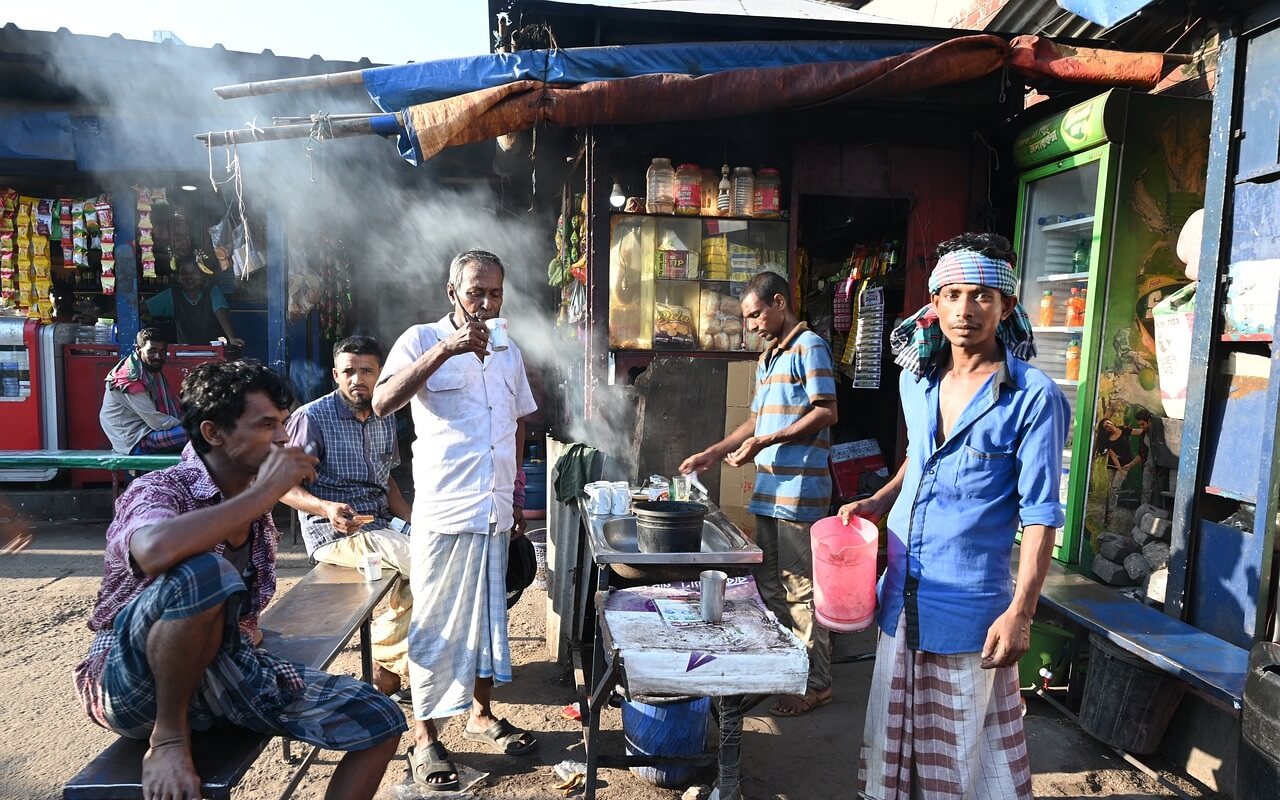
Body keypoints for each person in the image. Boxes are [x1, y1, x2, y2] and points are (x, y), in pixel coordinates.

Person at [73, 360, 405, 800]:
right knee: (204, 571)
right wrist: (263, 493)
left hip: (223, 669)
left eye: (285, 423)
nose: (285, 437)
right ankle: (169, 739)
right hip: (133, 683)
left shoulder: (250, 502)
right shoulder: (159, 490)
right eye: (268, 424)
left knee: (379, 718)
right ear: (213, 433)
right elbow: (153, 551)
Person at [841, 233, 1069, 800]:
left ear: (1006, 306)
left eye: (983, 296)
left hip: (969, 610)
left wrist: (1022, 612)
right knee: (898, 754)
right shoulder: (916, 381)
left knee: (964, 762)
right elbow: (922, 459)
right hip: (901, 596)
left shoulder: (1033, 397)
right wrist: (881, 499)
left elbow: (1042, 515)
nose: (966, 310)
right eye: (954, 294)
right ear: (934, 303)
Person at [372, 249, 539, 791]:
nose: (485, 304)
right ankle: (424, 737)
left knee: (492, 619)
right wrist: (447, 348)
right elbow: (381, 402)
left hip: (493, 510)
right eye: (475, 293)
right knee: (436, 623)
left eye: (494, 293)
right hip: (445, 510)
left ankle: (481, 713)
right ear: (452, 292)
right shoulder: (420, 339)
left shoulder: (509, 350)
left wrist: (514, 496)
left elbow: (516, 424)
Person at [679, 270, 838, 717]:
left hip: (799, 492)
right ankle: (788, 672)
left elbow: (826, 411)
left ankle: (816, 684)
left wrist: (766, 443)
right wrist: (714, 452)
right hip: (769, 491)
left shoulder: (810, 347)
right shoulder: (770, 356)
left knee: (800, 589)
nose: (750, 325)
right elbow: (755, 422)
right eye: (746, 318)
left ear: (780, 302)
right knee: (769, 586)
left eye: (754, 315)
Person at [283, 335, 414, 698]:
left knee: (436, 560)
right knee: (428, 567)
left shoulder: (386, 415)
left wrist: (416, 526)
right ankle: (390, 666)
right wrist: (326, 508)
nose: (358, 379)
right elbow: (282, 487)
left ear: (381, 373)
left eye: (367, 371)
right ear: (335, 375)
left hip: (381, 526)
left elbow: (388, 484)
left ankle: (384, 664)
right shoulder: (311, 417)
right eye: (349, 372)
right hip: (336, 534)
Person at [99, 327, 188, 454]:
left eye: (162, 351)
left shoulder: (150, 369)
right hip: (134, 440)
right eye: (152, 351)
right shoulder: (130, 377)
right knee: (196, 433)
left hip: (149, 431)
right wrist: (188, 423)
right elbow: (157, 422)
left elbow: (174, 404)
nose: (158, 356)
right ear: (138, 350)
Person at [145, 252, 243, 346]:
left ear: (203, 276)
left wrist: (231, 338)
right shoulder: (173, 295)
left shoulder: (212, 291)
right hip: (185, 353)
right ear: (178, 277)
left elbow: (221, 314)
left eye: (194, 272)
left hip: (213, 351)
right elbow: (141, 308)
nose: (189, 277)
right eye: (184, 273)